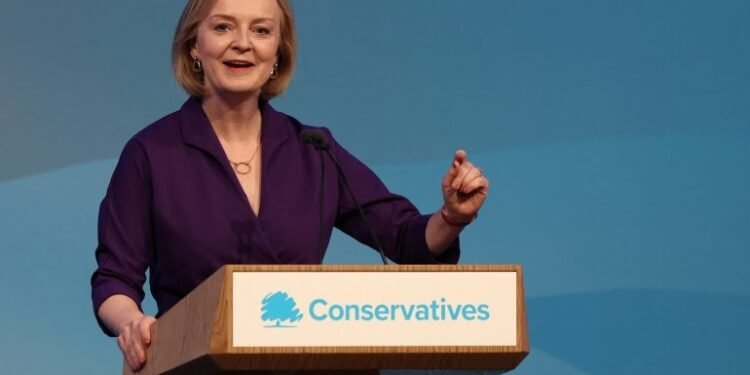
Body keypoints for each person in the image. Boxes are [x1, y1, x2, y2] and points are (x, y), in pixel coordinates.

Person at [90, 0, 489, 371]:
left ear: (278, 54)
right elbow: (114, 280)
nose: (243, 44)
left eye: (261, 31)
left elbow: (404, 238)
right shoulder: (151, 153)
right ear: (195, 45)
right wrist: (131, 323)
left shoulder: (314, 150)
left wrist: (451, 218)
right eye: (224, 27)